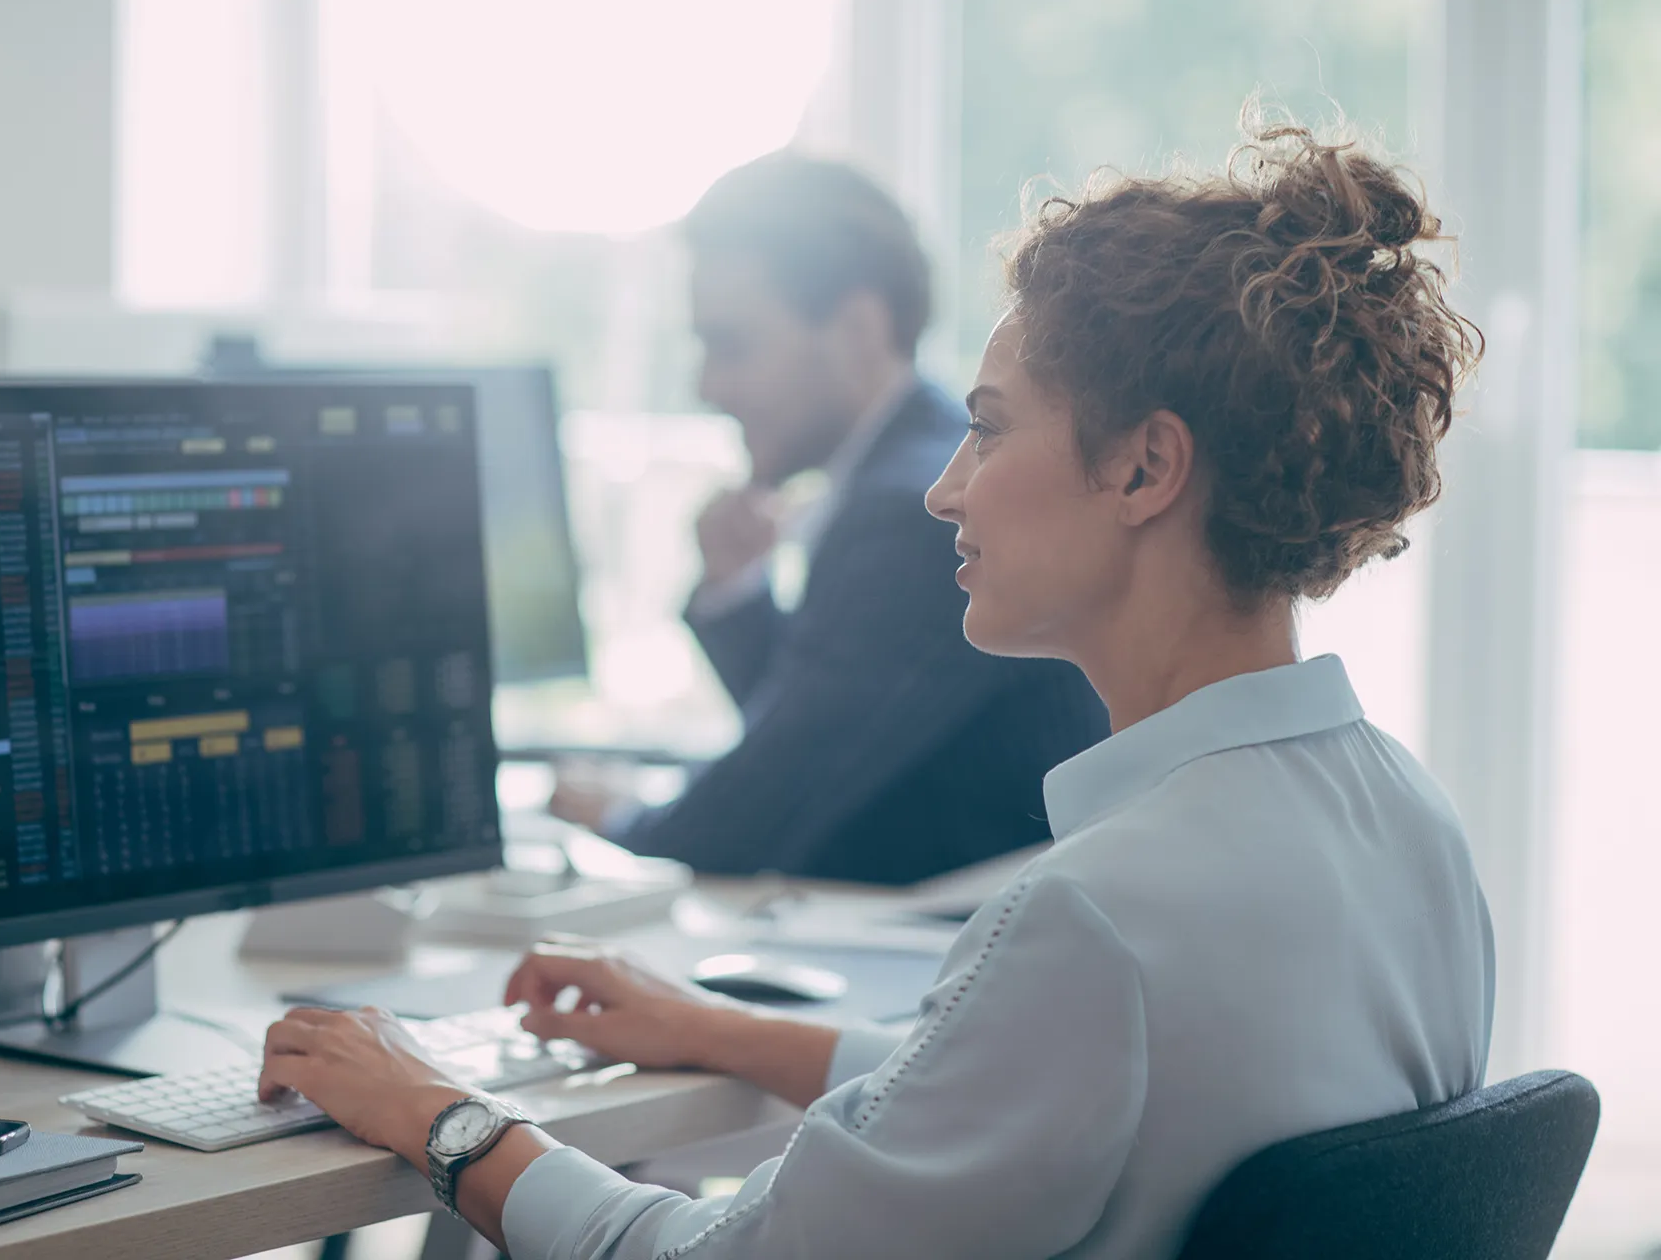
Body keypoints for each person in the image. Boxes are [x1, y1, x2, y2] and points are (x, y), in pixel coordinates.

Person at [257, 115, 1494, 1259]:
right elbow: (1028, 1083)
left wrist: (437, 1112)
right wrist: (717, 1027)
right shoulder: (1411, 828)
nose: (943, 487)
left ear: (1144, 466)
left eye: (993, 428)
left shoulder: (1098, 918)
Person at [551, 152, 1109, 885]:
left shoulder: (910, 514)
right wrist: (738, 594)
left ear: (855, 329)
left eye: (733, 344)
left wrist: (611, 822)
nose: (707, 385)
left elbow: (755, 819)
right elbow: (828, 744)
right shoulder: (917, 458)